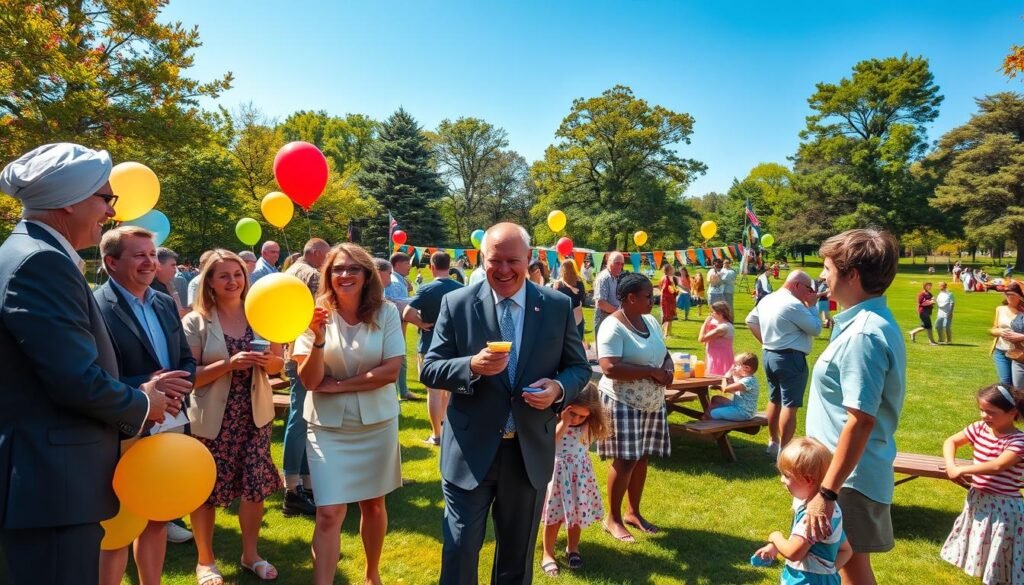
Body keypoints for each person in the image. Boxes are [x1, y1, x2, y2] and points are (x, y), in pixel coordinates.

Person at [0, 143, 176, 585]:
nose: (110, 213)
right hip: (51, 485)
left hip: (43, 481)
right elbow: (74, 377)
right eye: (105, 198)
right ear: (68, 202)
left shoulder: (26, 252)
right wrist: (141, 402)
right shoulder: (42, 262)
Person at [419, 223, 590, 585]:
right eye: (495, 260)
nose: (504, 269)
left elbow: (578, 367)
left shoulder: (557, 305)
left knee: (516, 558)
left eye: (513, 260)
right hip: (470, 451)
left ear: (530, 259)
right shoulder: (458, 302)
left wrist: (558, 389)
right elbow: (431, 368)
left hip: (527, 453)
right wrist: (470, 365)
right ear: (483, 259)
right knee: (460, 549)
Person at [292, 243, 405, 585]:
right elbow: (311, 380)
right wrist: (318, 339)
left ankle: (372, 574)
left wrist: (340, 385)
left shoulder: (385, 312)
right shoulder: (312, 314)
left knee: (373, 505)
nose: (345, 275)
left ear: (367, 274)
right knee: (328, 513)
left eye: (353, 269)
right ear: (327, 275)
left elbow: (391, 370)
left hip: (377, 424)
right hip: (327, 427)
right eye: (337, 269)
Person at [93, 226, 197, 585]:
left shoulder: (165, 301)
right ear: (111, 262)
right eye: (139, 255)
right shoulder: (94, 306)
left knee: (157, 515)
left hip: (169, 423)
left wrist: (177, 388)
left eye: (152, 255)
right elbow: (90, 376)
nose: (150, 262)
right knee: (119, 523)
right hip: (122, 428)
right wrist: (144, 389)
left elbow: (186, 358)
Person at [804, 229, 905, 585]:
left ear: (852, 275)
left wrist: (827, 493)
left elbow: (860, 421)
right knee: (847, 568)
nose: (821, 276)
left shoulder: (864, 334)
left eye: (828, 269)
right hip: (844, 473)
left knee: (852, 572)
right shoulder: (863, 323)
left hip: (848, 479)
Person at [183, 249, 284, 584]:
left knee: (254, 486)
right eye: (223, 275)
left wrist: (267, 361)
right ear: (209, 281)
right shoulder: (196, 321)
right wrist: (229, 363)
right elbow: (189, 377)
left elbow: (279, 364)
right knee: (204, 488)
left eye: (237, 274)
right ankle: (205, 560)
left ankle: (250, 554)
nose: (232, 281)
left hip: (255, 414)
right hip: (213, 418)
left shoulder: (261, 314)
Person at [595, 272, 674, 543]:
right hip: (622, 402)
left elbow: (663, 351)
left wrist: (668, 368)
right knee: (626, 458)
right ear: (630, 298)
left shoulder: (650, 320)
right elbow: (609, 366)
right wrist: (652, 372)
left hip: (651, 401)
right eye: (647, 296)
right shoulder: (612, 326)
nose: (652, 300)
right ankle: (613, 519)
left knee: (642, 456)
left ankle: (633, 513)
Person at [940, 384, 1024, 584]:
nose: (984, 416)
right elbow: (950, 442)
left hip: (1003, 509)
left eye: (990, 412)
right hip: (979, 501)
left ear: (1012, 412)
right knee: (982, 550)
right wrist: (951, 466)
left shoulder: (1018, 441)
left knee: (1000, 557)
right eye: (982, 410)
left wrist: (962, 470)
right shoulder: (979, 428)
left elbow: (998, 466)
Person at [753, 438, 853, 584]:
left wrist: (775, 537)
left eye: (786, 475)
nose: (782, 480)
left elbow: (794, 553)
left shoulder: (811, 517)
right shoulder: (833, 510)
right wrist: (826, 572)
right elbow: (846, 550)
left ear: (808, 480)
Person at [538, 384, 612, 577]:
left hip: (579, 474)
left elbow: (586, 443)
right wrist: (565, 422)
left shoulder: (588, 422)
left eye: (582, 416)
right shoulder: (554, 420)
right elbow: (549, 443)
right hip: (558, 472)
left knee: (577, 514)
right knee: (553, 517)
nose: (577, 419)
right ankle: (548, 553)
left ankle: (573, 548)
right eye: (573, 413)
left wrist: (584, 421)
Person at [280, 237, 330, 518]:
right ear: (317, 253)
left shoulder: (288, 272)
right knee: (301, 420)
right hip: (307, 350)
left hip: (293, 349)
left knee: (302, 418)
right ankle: (294, 488)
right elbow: (320, 315)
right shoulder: (311, 276)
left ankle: (305, 484)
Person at [745, 270, 821, 456]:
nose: (810, 293)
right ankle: (784, 450)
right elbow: (816, 329)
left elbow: (750, 320)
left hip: (770, 355)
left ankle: (773, 442)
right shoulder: (794, 304)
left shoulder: (768, 299)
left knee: (774, 399)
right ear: (796, 285)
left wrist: (767, 341)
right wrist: (812, 306)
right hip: (790, 358)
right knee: (790, 404)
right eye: (808, 289)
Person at [405, 251, 463, 445]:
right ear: (450, 265)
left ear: (432, 266)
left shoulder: (426, 289)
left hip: (430, 344)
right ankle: (445, 427)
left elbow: (407, 312)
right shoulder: (461, 288)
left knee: (433, 391)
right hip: (454, 346)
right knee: (448, 390)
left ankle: (436, 434)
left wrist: (421, 324)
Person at [385, 251, 416, 400]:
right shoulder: (395, 283)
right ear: (397, 265)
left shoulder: (399, 280)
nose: (409, 266)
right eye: (406, 263)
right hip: (396, 326)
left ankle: (403, 390)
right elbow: (398, 306)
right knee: (399, 358)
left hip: (399, 325)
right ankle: (402, 392)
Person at [706, 352, 760, 422]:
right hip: (738, 405)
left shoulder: (748, 381)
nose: (734, 367)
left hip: (743, 412)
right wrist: (719, 387)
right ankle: (708, 417)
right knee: (716, 399)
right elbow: (734, 390)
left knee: (713, 412)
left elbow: (725, 389)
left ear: (747, 368)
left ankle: (708, 423)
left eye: (737, 365)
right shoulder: (745, 379)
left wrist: (726, 376)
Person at [990, 283, 1024, 387]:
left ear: (1019, 296)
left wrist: (1020, 337)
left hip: (1020, 353)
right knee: (1006, 384)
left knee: (1018, 387)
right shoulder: (1000, 309)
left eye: (1012, 294)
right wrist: (1000, 332)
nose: (1009, 297)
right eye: (1006, 294)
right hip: (1001, 351)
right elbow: (993, 329)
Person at [551, 258, 587, 346]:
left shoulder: (557, 284)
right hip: (577, 316)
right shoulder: (580, 282)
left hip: (562, 317)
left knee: (563, 344)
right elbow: (582, 298)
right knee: (577, 344)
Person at [698, 301, 735, 377]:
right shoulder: (719, 323)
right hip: (715, 354)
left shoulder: (723, 328)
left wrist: (704, 324)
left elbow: (702, 339)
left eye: (713, 312)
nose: (711, 314)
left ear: (720, 314)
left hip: (720, 358)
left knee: (719, 380)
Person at [593, 251, 625, 336]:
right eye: (617, 263)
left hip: (612, 321)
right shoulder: (604, 278)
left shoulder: (614, 277)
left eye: (622, 264)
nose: (620, 267)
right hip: (604, 322)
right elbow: (601, 303)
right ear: (609, 262)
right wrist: (618, 312)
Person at [152, 246, 188, 317]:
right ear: (158, 265)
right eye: (173, 265)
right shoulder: (150, 292)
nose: (175, 270)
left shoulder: (167, 286)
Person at [659, 263, 679, 338]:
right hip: (667, 300)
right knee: (667, 316)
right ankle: (666, 334)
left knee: (669, 316)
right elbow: (664, 289)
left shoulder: (668, 278)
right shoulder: (666, 278)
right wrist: (674, 291)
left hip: (669, 299)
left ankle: (668, 333)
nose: (673, 270)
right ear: (669, 270)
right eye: (672, 268)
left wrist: (675, 291)